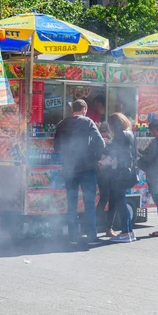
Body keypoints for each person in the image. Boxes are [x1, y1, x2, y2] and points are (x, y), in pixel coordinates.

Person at [54, 99, 105, 244]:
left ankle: (73, 237)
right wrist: (96, 157)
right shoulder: (88, 122)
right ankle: (91, 237)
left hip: (69, 168)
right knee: (89, 203)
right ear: (85, 109)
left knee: (72, 203)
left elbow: (56, 146)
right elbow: (100, 143)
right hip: (87, 168)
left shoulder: (62, 123)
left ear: (72, 110)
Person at [105, 113, 138, 243]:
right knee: (120, 200)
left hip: (120, 172)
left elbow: (115, 153)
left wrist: (107, 145)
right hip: (128, 172)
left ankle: (125, 232)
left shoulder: (120, 135)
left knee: (121, 202)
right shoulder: (130, 134)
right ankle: (129, 232)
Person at [95, 122, 118, 237]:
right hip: (102, 175)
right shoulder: (98, 143)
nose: (104, 136)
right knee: (104, 199)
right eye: (102, 133)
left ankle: (109, 228)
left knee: (112, 200)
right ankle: (95, 226)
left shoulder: (114, 143)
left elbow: (114, 157)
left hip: (113, 174)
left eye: (106, 133)